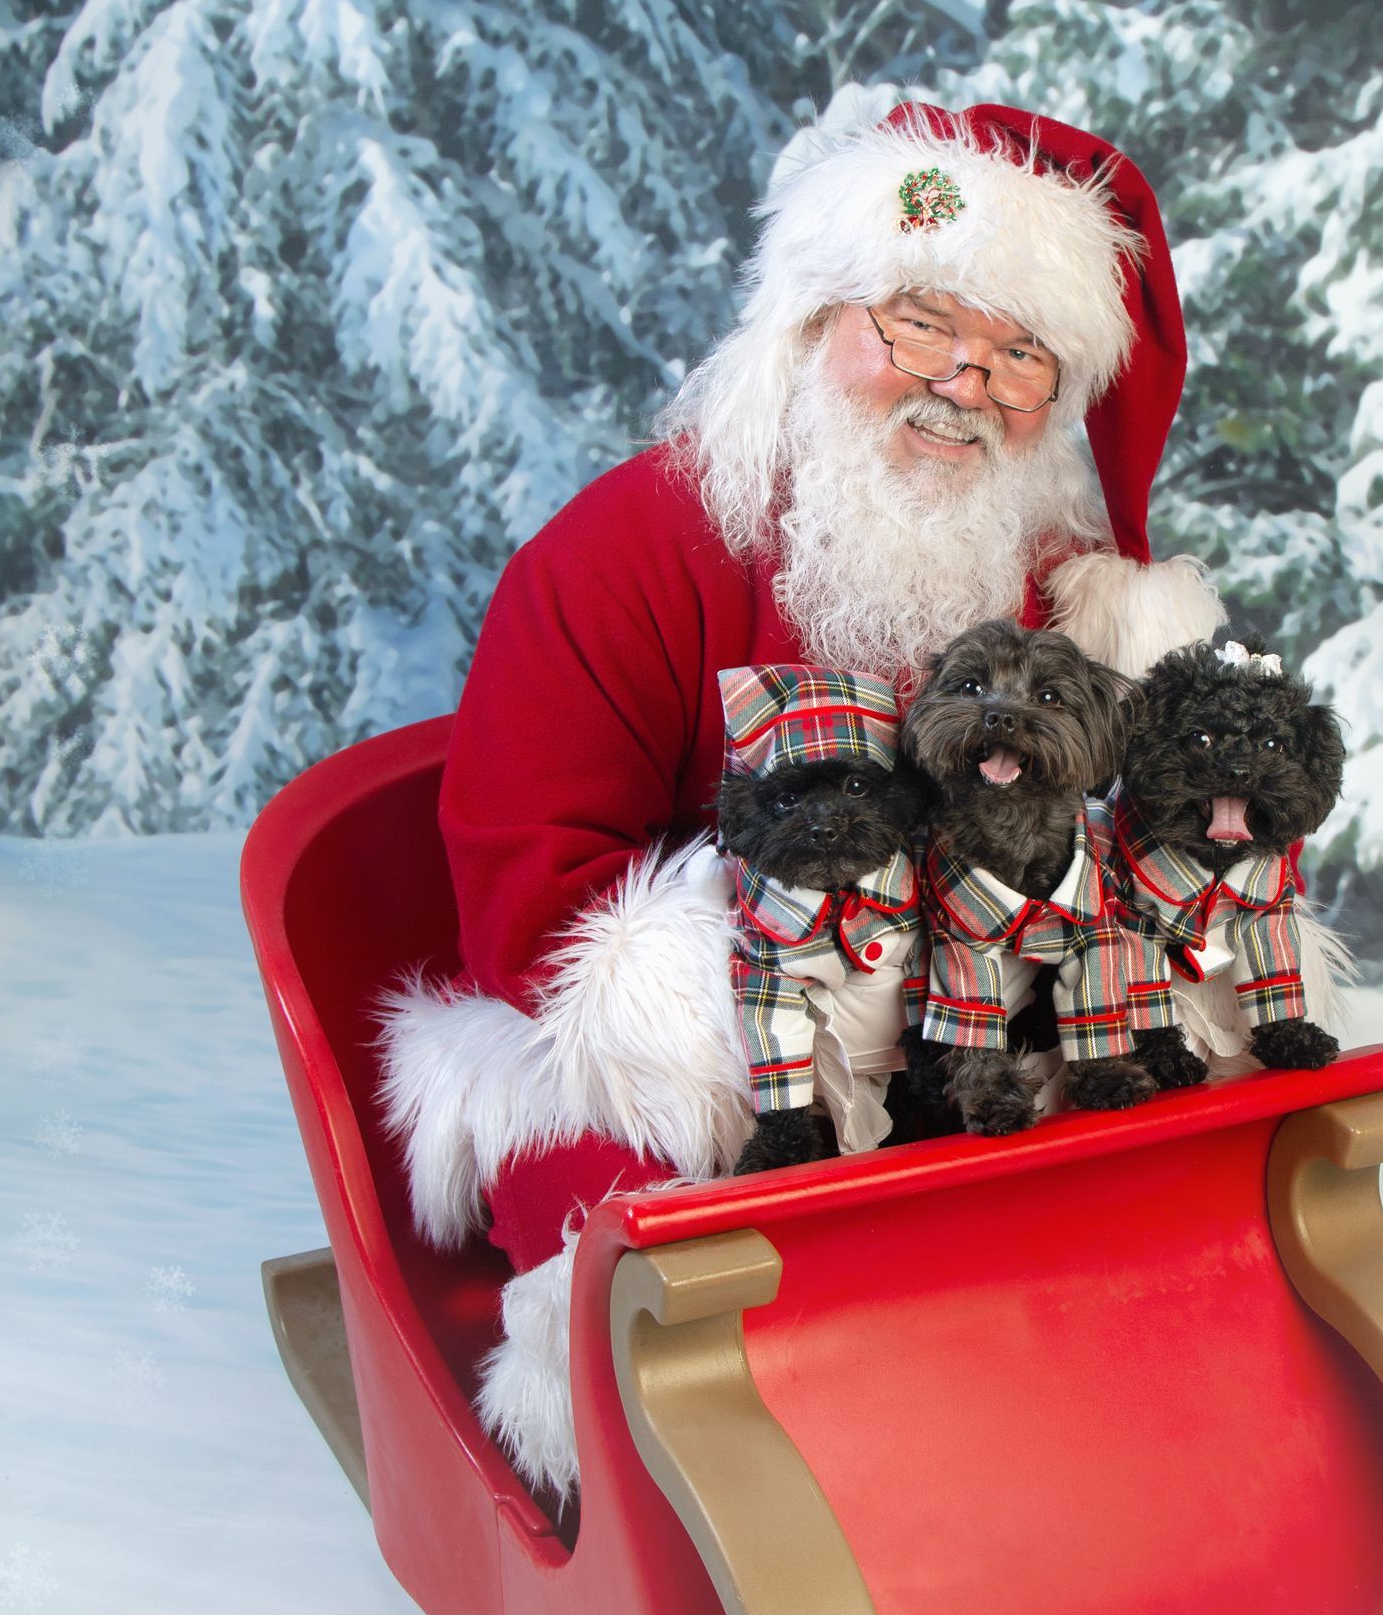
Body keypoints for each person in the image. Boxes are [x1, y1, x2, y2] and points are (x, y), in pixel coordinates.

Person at [381, 89, 1224, 1498]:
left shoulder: (1060, 584)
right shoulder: (623, 550)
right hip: (683, 1050)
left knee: (1162, 1144)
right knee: (668, 1256)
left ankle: (1130, 1470)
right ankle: (719, 1520)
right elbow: (538, 906)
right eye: (922, 325)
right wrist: (823, 1008)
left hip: (973, 1014)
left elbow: (1138, 842)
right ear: (815, 318)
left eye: (1020, 357)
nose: (964, 384)